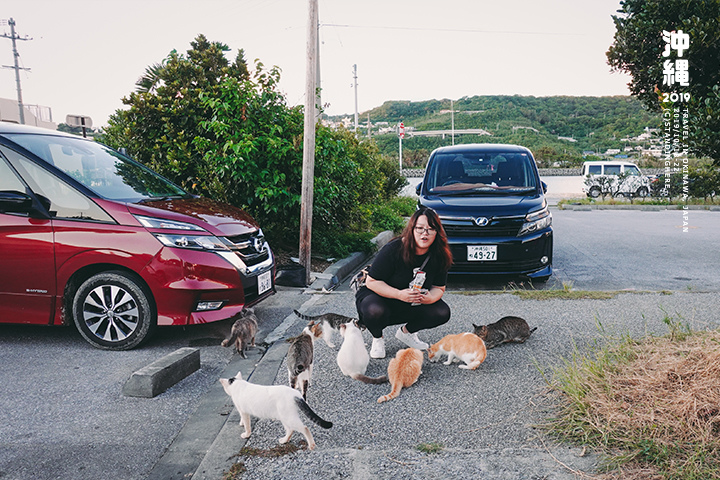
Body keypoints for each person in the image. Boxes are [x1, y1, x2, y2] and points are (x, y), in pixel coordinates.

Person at [355, 207, 453, 358]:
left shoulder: (439, 255)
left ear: (437, 232)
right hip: (380, 296)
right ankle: (377, 338)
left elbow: (439, 287)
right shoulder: (394, 249)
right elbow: (372, 281)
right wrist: (399, 294)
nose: (424, 234)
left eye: (430, 229)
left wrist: (430, 298)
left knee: (442, 312)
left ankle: (407, 333)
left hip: (412, 300)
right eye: (420, 228)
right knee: (374, 310)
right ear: (412, 229)